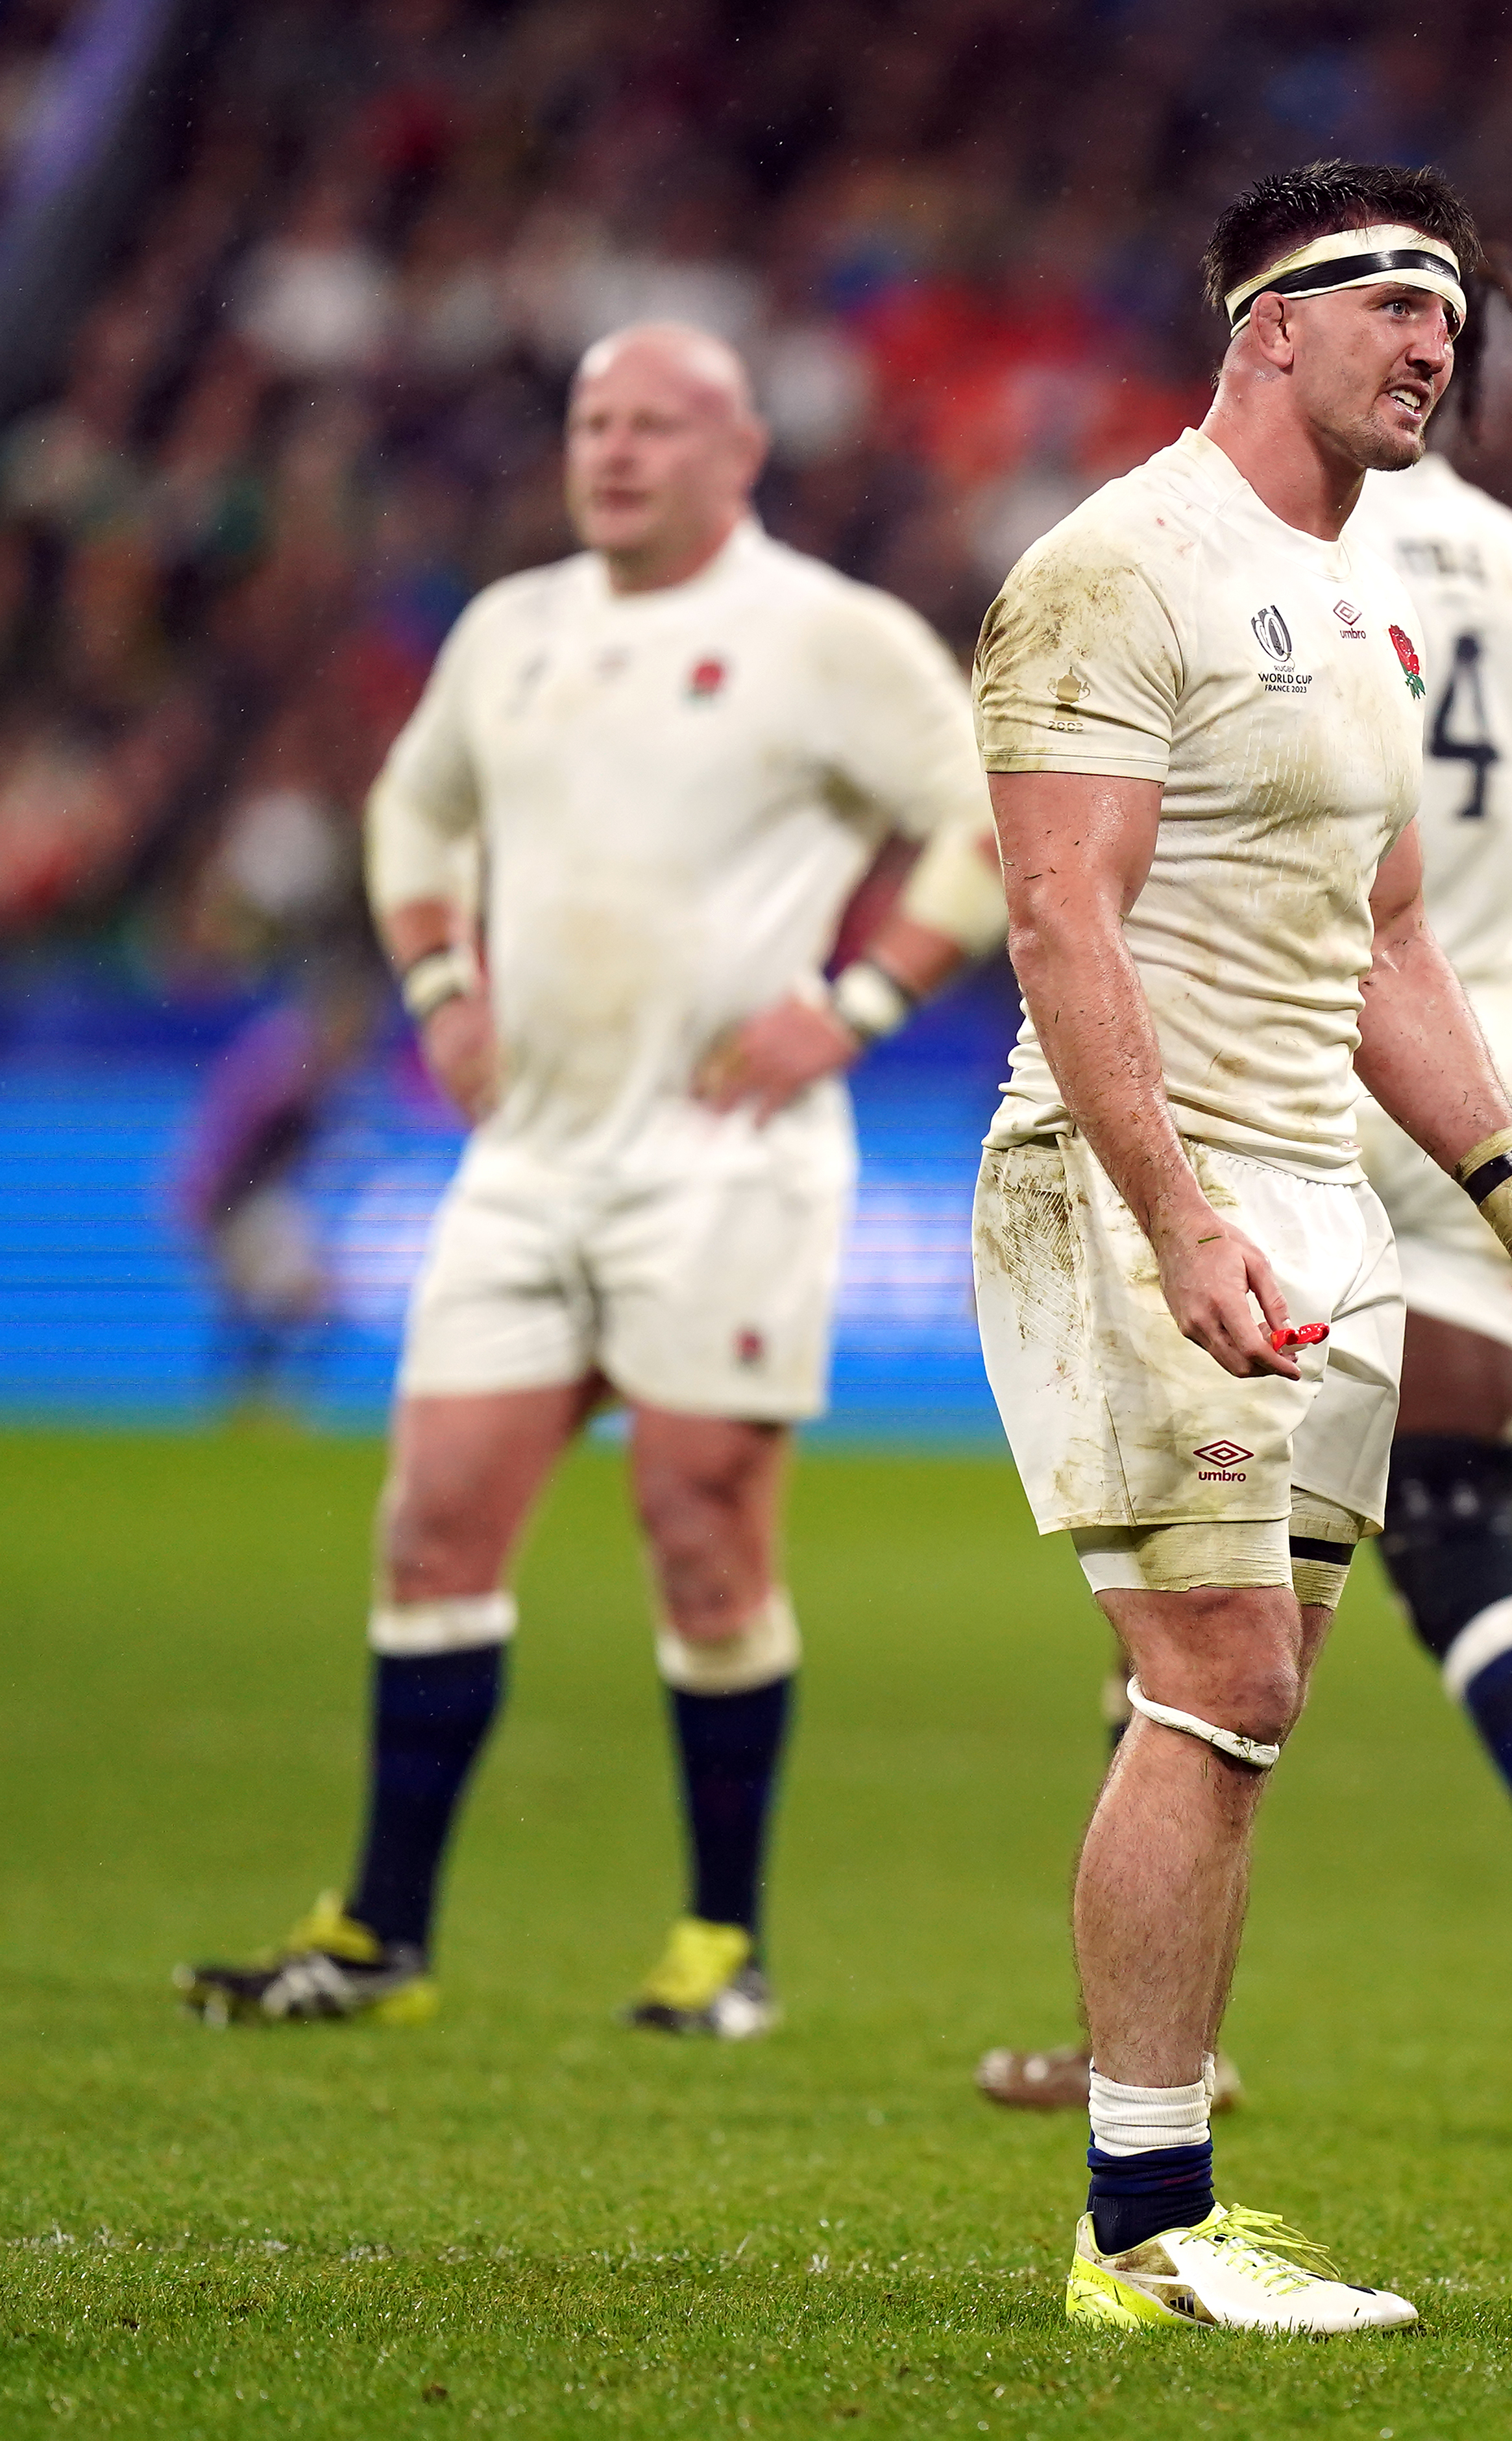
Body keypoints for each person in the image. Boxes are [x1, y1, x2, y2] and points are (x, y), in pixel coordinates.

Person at [968, 161, 1512, 2338]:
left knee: (1247, 1707)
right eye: (1394, 302)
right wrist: (1172, 1210)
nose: (1433, 344)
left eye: (1453, 315)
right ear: (1262, 326)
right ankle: (1137, 2232)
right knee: (1222, 1678)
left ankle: (1164, 2197)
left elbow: (1388, 945)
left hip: (1316, 1190)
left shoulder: (1366, 604)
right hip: (1149, 1176)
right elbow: (1055, 915)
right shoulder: (1114, 567)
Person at [177, 323, 1012, 2040]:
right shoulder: (515, 630)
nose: (615, 451)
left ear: (741, 448)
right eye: (593, 421)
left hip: (726, 1161)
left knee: (700, 1530)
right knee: (429, 1526)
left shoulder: (828, 638)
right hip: (528, 1156)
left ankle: (721, 1943)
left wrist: (851, 1007)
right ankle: (379, 1937)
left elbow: (988, 824)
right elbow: (413, 819)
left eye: (656, 424)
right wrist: (434, 986)